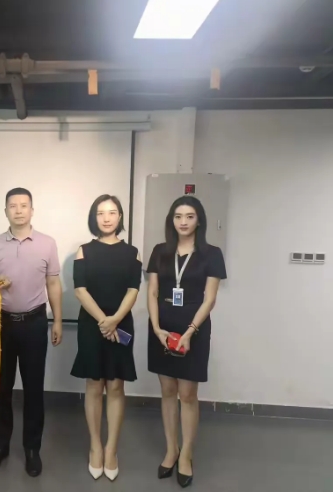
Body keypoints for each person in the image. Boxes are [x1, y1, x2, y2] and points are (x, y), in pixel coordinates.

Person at [0, 187, 62, 478]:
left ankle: (31, 449)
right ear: (5, 211)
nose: (18, 210)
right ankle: (0, 446)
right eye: (12, 206)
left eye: (23, 205)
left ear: (31, 210)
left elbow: (53, 284)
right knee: (1, 388)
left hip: (35, 323)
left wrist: (58, 320)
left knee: (33, 389)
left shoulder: (47, 243)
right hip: (2, 324)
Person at [146, 195, 227, 488]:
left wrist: (190, 331)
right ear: (172, 220)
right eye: (178, 216)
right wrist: (157, 328)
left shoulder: (212, 253)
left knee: (188, 394)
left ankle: (186, 455)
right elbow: (152, 291)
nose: (183, 222)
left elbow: (210, 298)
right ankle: (172, 450)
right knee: (168, 390)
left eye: (189, 216)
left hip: (195, 325)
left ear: (199, 220)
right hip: (163, 325)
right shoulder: (160, 251)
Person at [71, 195, 141, 482]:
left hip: (121, 324)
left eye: (112, 212)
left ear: (120, 217)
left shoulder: (133, 252)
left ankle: (111, 449)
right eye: (101, 213)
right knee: (93, 384)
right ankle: (95, 447)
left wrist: (114, 320)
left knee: (115, 385)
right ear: (94, 217)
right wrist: (104, 320)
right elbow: (80, 290)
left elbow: (133, 290)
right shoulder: (84, 251)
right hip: (92, 325)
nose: (107, 218)